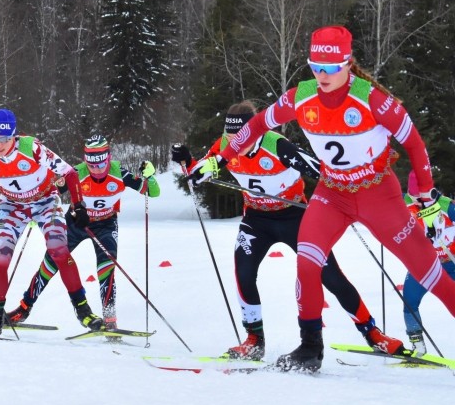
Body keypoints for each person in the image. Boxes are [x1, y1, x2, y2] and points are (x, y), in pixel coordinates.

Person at [190, 25, 455, 372]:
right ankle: (310, 348)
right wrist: (220, 159)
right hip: (334, 193)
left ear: (348, 63)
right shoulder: (301, 96)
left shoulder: (370, 98)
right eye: (316, 67)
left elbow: (415, 143)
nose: (323, 75)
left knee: (428, 270)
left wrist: (424, 188)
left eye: (330, 68)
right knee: (308, 259)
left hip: (378, 193)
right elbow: (256, 125)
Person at [173, 101, 403, 362]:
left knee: (331, 277)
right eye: (229, 137)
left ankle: (373, 334)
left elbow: (323, 171)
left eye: (240, 138)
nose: (234, 144)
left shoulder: (278, 146)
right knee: (244, 273)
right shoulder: (224, 147)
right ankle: (254, 341)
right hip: (257, 220)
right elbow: (198, 173)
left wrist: (359, 189)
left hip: (295, 217)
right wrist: (187, 161)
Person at [0, 109, 103, 338]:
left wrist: (79, 206)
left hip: (45, 200)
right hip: (12, 205)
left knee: (58, 250)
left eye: (4, 140)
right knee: (0, 255)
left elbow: (70, 174)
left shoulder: (32, 149)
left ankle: (83, 310)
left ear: (14, 136)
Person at [6, 134, 160, 331]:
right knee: (50, 262)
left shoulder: (120, 174)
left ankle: (110, 320)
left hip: (106, 224)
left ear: (108, 157)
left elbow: (152, 192)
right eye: (91, 163)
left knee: (107, 268)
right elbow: (53, 188)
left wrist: (150, 176)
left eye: (100, 162)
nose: (96, 168)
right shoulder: (77, 172)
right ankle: (24, 309)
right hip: (76, 222)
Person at [401, 171, 455, 356]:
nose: (418, 201)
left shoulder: (446, 204)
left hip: (450, 262)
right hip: (423, 265)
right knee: (409, 302)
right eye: (414, 196)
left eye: (422, 196)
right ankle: (419, 347)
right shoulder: (403, 202)